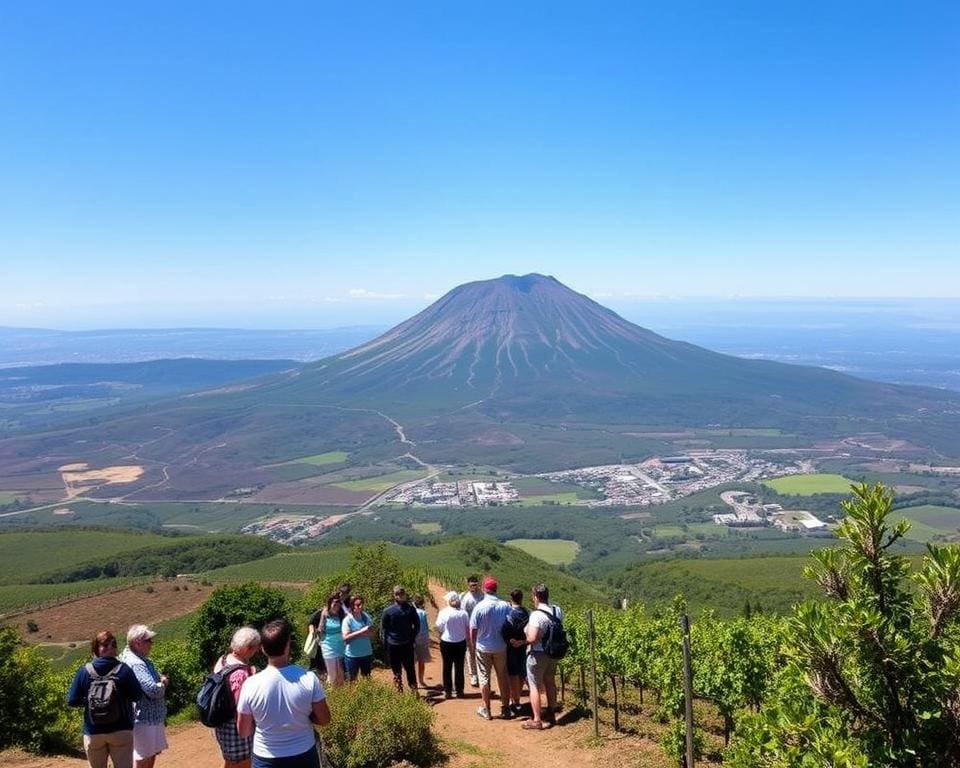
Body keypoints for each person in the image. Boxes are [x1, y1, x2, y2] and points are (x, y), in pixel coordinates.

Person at [237, 619, 330, 768]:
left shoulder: (250, 685)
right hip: (303, 754)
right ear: (288, 647)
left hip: (266, 758)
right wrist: (307, 716)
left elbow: (243, 731)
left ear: (263, 649)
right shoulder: (309, 679)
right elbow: (324, 719)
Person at [67, 629, 143, 768]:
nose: (110, 647)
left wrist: (90, 701)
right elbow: (137, 695)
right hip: (121, 729)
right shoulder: (124, 669)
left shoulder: (85, 671)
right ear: (115, 649)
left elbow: (72, 700)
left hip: (93, 731)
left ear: (96, 649)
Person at [212, 626, 261, 768]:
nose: (257, 651)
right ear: (248, 648)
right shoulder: (240, 673)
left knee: (230, 762)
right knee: (243, 763)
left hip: (221, 722)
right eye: (255, 647)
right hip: (235, 727)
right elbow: (241, 706)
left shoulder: (223, 660)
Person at [120, 625, 168, 768]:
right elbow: (153, 690)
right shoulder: (137, 663)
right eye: (148, 640)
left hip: (147, 717)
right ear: (138, 642)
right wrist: (163, 683)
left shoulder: (135, 657)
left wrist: (158, 680)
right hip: (144, 718)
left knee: (149, 755)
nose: (151, 644)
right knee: (143, 758)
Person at [469, 577, 512, 720]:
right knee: (502, 676)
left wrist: (473, 644)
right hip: (500, 646)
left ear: (483, 589)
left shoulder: (479, 607)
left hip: (483, 647)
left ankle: (486, 709)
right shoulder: (505, 605)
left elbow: (473, 629)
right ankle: (506, 707)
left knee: (484, 677)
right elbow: (510, 624)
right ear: (496, 589)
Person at [523, 583, 564, 730]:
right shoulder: (557, 610)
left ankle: (537, 719)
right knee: (550, 681)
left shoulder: (536, 615)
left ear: (536, 596)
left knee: (534, 685)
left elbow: (533, 638)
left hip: (538, 653)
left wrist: (522, 639)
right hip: (553, 653)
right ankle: (552, 713)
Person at [380, 585, 419, 693]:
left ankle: (414, 690)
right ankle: (399, 689)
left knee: (410, 668)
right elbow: (383, 628)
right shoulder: (388, 611)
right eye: (397, 594)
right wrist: (385, 643)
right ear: (394, 595)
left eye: (401, 594)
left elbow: (417, 625)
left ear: (405, 595)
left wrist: (412, 638)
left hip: (407, 644)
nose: (400, 596)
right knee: (396, 669)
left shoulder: (411, 609)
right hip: (393, 645)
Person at [434, 591, 469, 700]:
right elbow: (467, 627)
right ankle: (460, 691)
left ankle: (448, 691)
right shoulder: (464, 613)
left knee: (447, 667)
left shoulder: (444, 612)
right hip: (460, 642)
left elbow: (439, 626)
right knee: (459, 667)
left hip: (447, 642)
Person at [501, 588, 529, 716]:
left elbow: (504, 629)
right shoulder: (527, 612)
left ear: (511, 598)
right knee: (522, 672)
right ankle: (517, 698)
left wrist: (510, 640)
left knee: (512, 673)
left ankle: (515, 700)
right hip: (523, 645)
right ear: (521, 598)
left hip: (511, 646)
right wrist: (523, 641)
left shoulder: (508, 613)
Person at [314, 593, 347, 687]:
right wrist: (319, 640)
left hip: (340, 645)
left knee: (340, 673)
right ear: (330, 603)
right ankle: (330, 695)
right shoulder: (325, 612)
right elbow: (320, 628)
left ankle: (341, 696)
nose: (337, 605)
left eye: (339, 603)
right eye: (335, 602)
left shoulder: (342, 614)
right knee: (332, 674)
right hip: (328, 645)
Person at [341, 594, 374, 680]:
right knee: (352, 680)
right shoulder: (347, 620)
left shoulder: (366, 617)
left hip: (366, 653)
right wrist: (362, 631)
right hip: (352, 656)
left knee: (367, 679)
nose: (360, 606)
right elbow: (345, 638)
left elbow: (372, 634)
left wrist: (355, 634)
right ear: (352, 606)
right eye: (358, 605)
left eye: (361, 604)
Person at [460, 575, 484, 687]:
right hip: (470, 629)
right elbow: (464, 615)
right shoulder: (466, 598)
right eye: (471, 584)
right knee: (471, 652)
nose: (473, 586)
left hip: (483, 628)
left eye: (475, 584)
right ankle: (473, 674)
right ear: (468, 585)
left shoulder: (483, 596)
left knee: (482, 651)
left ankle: (481, 673)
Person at [412, 594, 432, 688]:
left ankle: (413, 681)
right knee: (421, 661)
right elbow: (425, 627)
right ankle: (421, 680)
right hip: (422, 639)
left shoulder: (411, 612)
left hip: (412, 639)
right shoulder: (423, 613)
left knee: (411, 662)